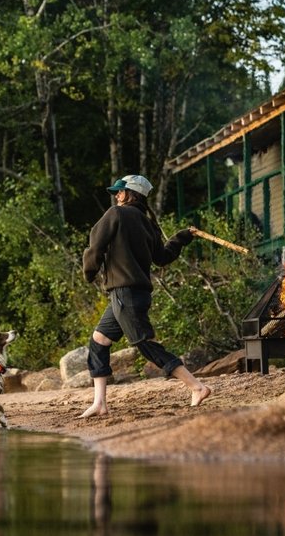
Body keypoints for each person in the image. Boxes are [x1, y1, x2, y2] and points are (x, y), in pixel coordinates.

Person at [79, 174, 212, 418]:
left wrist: (89, 272)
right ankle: (100, 403)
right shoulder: (147, 222)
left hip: (124, 294)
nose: (116, 196)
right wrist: (181, 237)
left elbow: (95, 245)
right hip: (134, 294)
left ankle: (197, 386)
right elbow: (162, 257)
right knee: (99, 340)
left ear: (131, 194)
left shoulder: (116, 214)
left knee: (146, 344)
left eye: (120, 192)